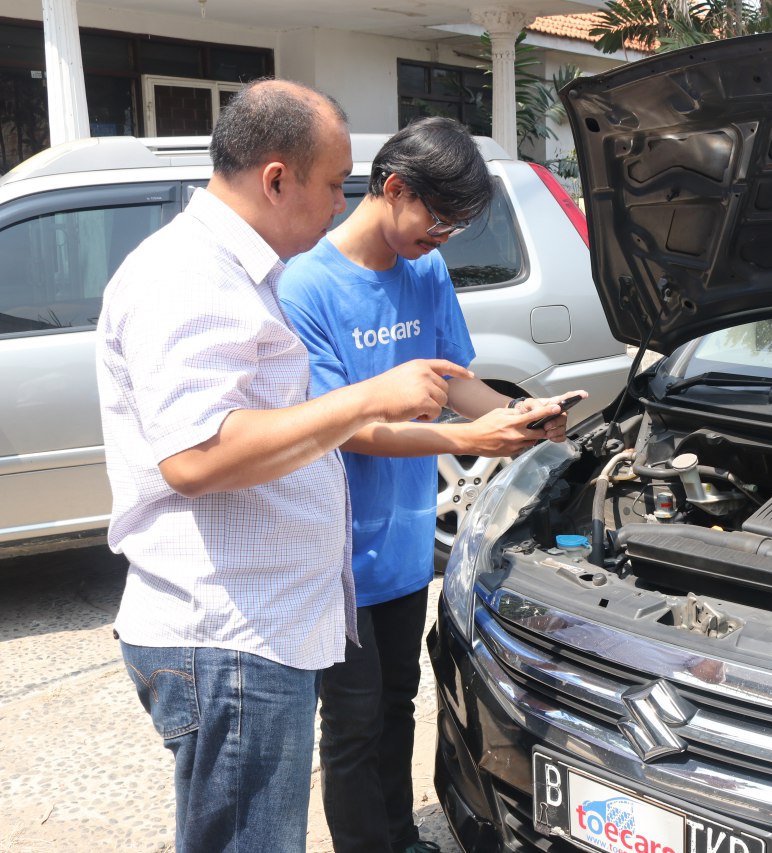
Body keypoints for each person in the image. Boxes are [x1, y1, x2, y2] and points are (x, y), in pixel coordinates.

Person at [96, 81, 471, 852]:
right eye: (334, 184)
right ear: (276, 178)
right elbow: (195, 457)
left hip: (259, 628)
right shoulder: (186, 277)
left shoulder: (243, 272)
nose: (341, 204)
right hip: (229, 636)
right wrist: (370, 398)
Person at [277, 116, 581, 853]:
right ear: (392, 188)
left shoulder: (425, 270)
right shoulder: (307, 285)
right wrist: (467, 439)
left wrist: (516, 413)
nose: (442, 237)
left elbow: (453, 379)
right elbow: (344, 427)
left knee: (396, 703)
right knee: (349, 723)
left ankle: (399, 837)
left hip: (407, 543)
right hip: (336, 556)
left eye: (457, 227)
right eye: (436, 219)